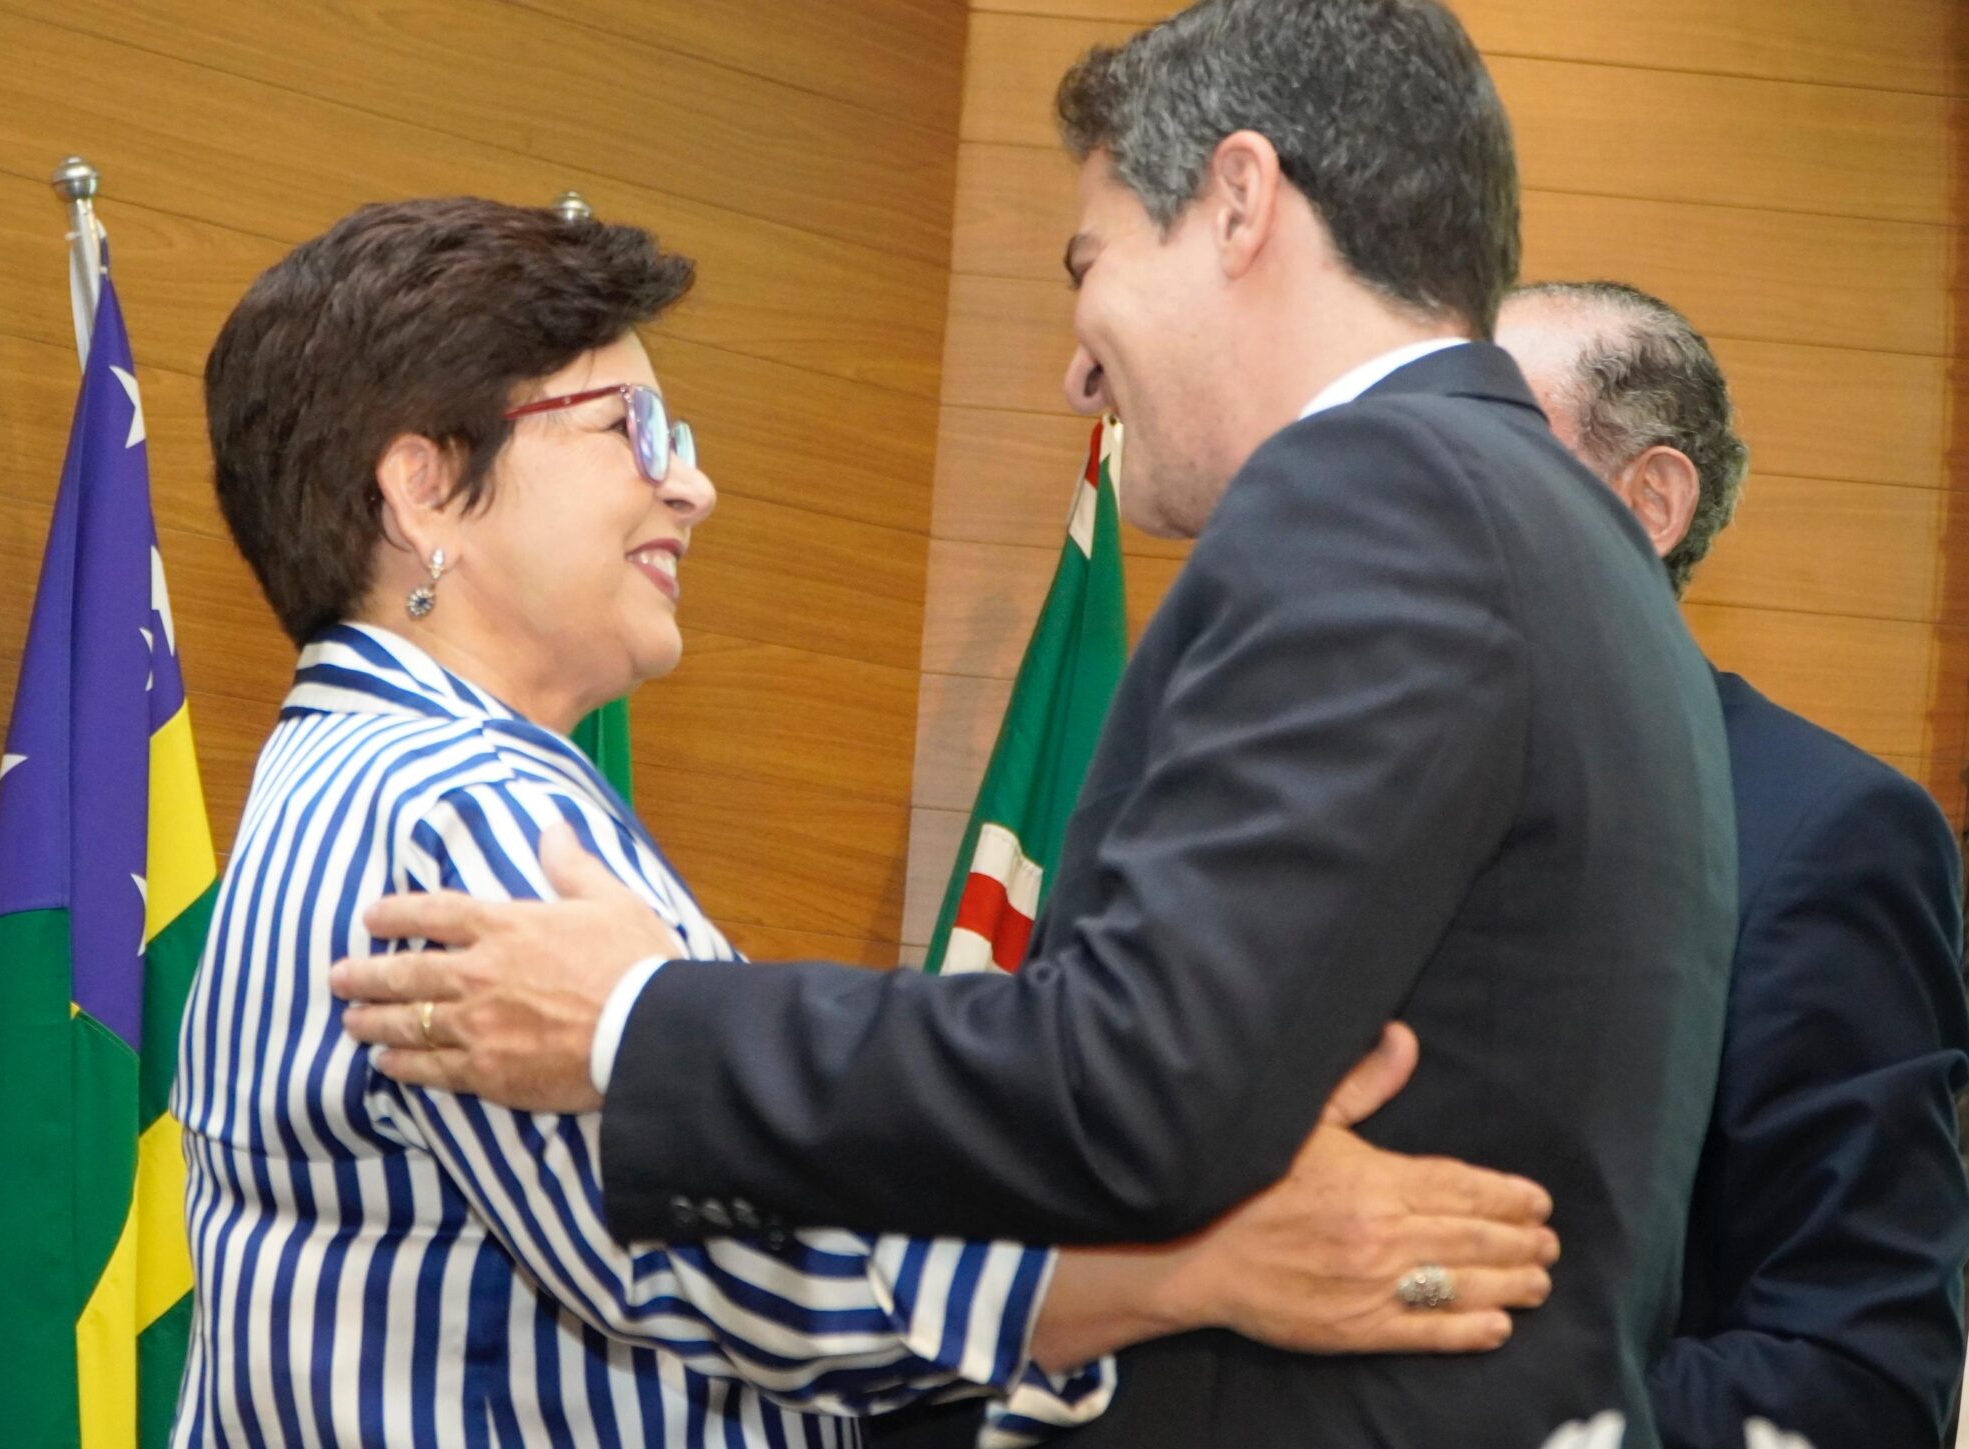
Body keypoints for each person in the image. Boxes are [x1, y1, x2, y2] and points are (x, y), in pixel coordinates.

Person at [328, 2, 1738, 1444]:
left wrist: (635, 1017)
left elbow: (1135, 1085)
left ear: (1239, 202)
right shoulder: (1575, 549)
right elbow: (1222, 1079)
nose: (1078, 370)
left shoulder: (1376, 491)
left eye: (1090, 263)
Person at [171, 196, 1560, 1448]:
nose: (692, 485)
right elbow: (745, 1271)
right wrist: (1198, 1261)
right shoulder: (463, 809)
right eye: (629, 430)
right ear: (424, 486)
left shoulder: (356, 763)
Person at [1496, 279, 1969, 1449]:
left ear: (1649, 502)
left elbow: (1856, 1374)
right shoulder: (1361, 795)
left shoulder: (1822, 831)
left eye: (1486, 439)